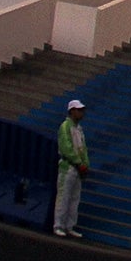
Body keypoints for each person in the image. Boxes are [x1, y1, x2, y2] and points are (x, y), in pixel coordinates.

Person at [54, 99, 89, 238]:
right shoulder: (65, 126)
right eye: (79, 110)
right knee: (64, 196)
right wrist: (78, 162)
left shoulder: (79, 129)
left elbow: (83, 149)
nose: (81, 113)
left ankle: (69, 226)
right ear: (72, 111)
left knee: (74, 198)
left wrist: (85, 164)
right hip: (68, 166)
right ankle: (58, 225)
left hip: (77, 168)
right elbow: (66, 148)